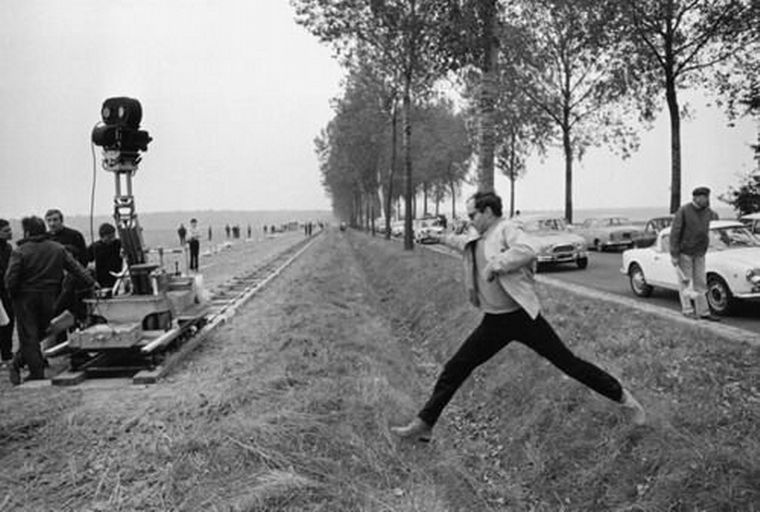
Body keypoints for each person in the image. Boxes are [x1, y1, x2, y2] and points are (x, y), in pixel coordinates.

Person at [391, 191, 646, 442]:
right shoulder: (477, 237)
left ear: (487, 211)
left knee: (569, 363)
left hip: (522, 317)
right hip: (494, 322)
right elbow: (461, 243)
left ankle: (625, 398)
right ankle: (424, 424)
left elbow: (529, 248)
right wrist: (439, 237)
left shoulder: (507, 229)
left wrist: (496, 264)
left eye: (472, 215)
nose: (470, 220)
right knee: (455, 368)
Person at [5, 216, 97, 384]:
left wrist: (12, 295)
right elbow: (77, 269)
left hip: (25, 298)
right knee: (42, 331)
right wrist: (92, 283)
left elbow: (11, 278)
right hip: (49, 296)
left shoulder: (20, 251)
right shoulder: (58, 248)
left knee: (29, 335)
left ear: (27, 232)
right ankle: (19, 364)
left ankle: (34, 371)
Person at [670, 186, 721, 322]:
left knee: (701, 283)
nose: (707, 200)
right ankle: (687, 310)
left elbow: (715, 225)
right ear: (696, 198)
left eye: (708, 197)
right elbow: (675, 233)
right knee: (686, 283)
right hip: (685, 252)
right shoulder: (684, 211)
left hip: (700, 252)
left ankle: (703, 311)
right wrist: (674, 254)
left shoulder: (708, 212)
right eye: (705, 197)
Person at [87, 223, 123, 289]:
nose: (112, 239)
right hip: (101, 278)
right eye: (109, 237)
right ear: (102, 237)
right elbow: (86, 259)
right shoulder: (95, 247)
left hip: (116, 276)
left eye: (113, 236)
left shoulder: (118, 244)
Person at [0, 219, 14, 365]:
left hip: (6, 291)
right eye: (6, 231)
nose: (10, 233)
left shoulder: (8, 248)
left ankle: (6, 353)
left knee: (8, 322)